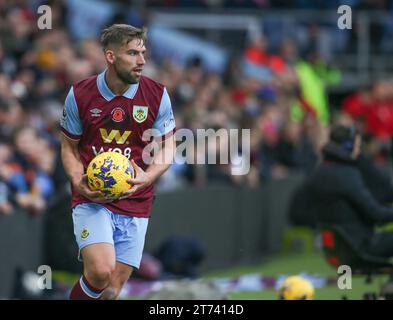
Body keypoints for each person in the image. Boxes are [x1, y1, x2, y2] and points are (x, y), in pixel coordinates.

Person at [60, 24, 176, 300]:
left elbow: (169, 146)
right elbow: (68, 146)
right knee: (100, 271)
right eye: (133, 53)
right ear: (111, 56)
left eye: (143, 53)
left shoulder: (157, 95)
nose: (142, 61)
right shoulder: (80, 94)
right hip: (93, 197)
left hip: (137, 198)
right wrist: (78, 181)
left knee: (111, 289)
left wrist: (148, 177)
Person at [305, 125, 393, 258]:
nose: (358, 152)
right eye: (357, 147)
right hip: (360, 244)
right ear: (347, 147)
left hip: (336, 247)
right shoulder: (347, 175)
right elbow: (376, 214)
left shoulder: (319, 172)